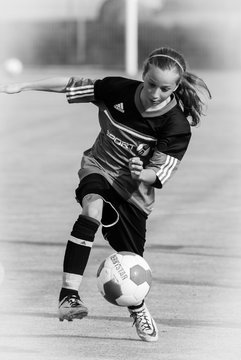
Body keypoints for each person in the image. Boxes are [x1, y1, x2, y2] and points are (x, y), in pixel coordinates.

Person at [0, 47, 211, 342]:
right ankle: (68, 297)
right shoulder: (116, 90)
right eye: (151, 84)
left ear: (176, 87)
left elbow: (160, 173)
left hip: (134, 195)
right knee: (92, 211)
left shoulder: (175, 126)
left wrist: (142, 173)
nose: (155, 93)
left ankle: (137, 308)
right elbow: (69, 84)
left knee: (131, 262)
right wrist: (23, 86)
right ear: (143, 76)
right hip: (97, 167)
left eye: (165, 88)